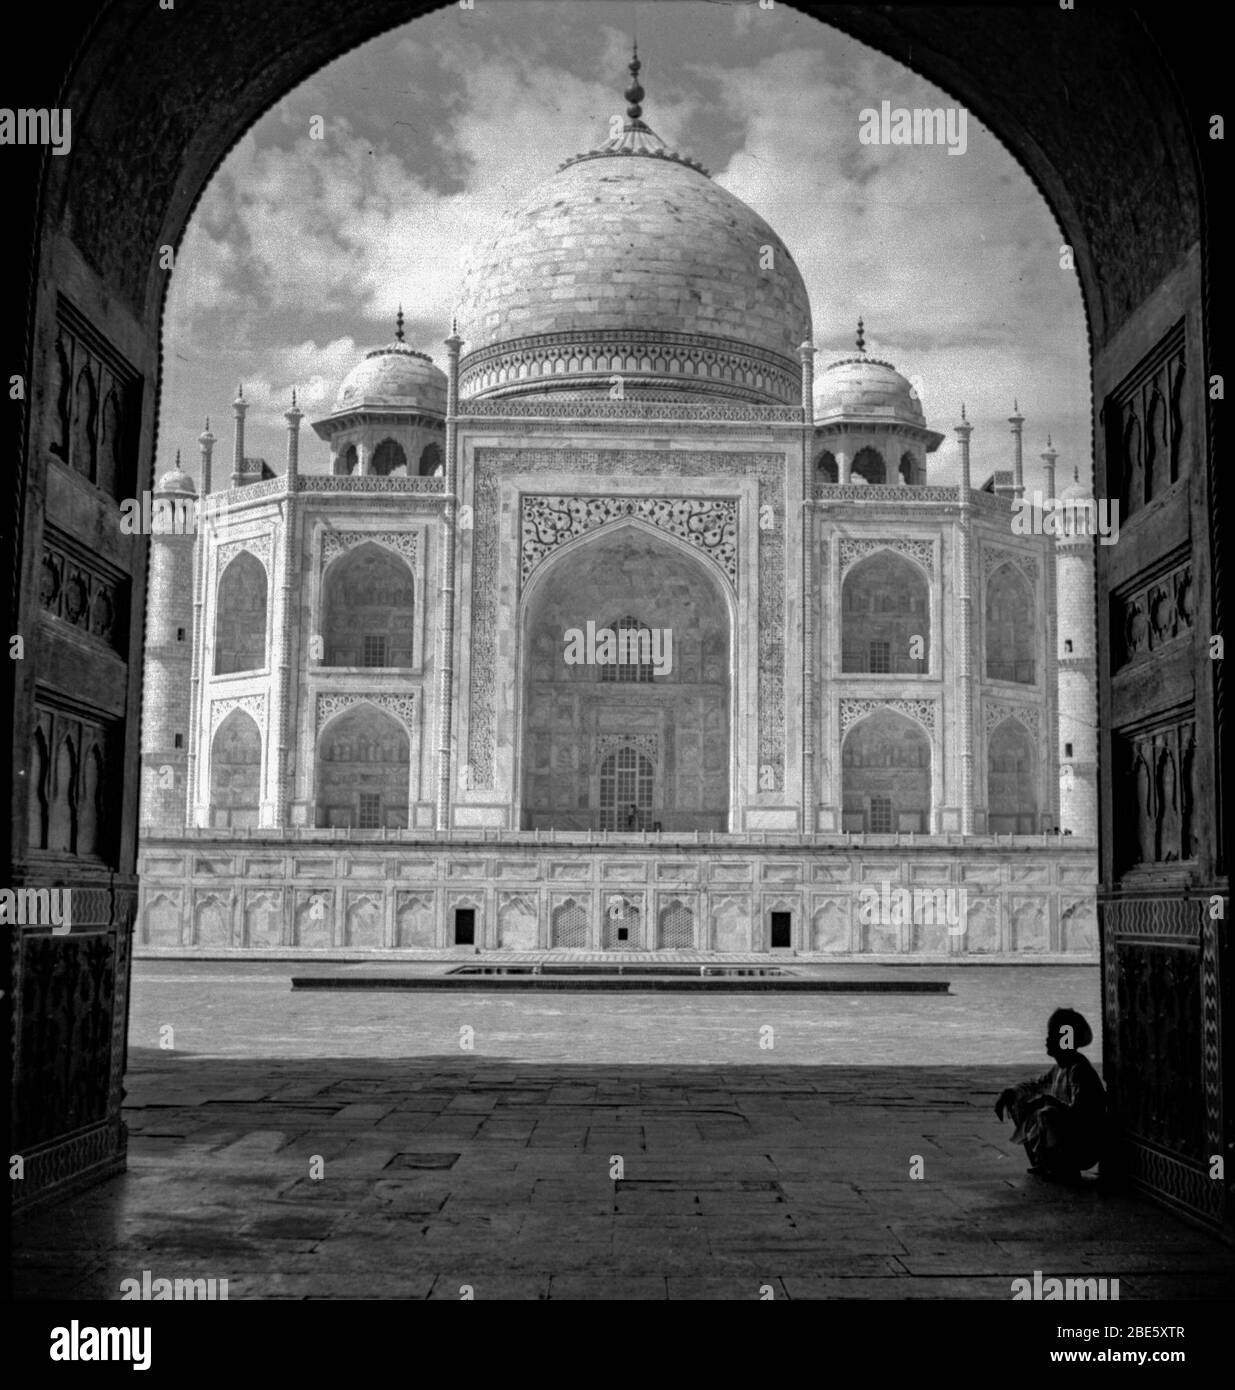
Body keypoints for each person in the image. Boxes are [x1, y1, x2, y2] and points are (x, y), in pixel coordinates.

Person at [995, 1007, 1106, 1181]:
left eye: (1053, 1034)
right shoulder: (1059, 1069)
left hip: (1085, 1145)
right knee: (1020, 1101)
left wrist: (1047, 1101)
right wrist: (1009, 1093)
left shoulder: (1079, 1070)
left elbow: (1081, 1115)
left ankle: (1064, 1167)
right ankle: (1045, 1163)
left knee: (1047, 1113)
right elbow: (1034, 1085)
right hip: (1072, 1138)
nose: (1047, 1039)